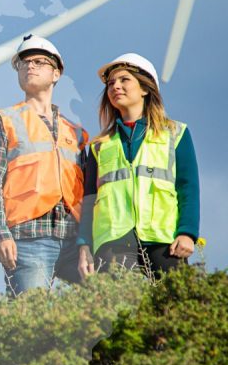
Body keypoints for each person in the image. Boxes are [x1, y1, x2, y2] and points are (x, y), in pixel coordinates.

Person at [0, 35, 88, 295]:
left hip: (75, 241)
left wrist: (87, 242)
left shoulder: (76, 133)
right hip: (28, 238)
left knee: (108, 308)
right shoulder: (3, 120)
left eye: (39, 61)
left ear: (56, 74)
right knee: (31, 323)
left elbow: (90, 193)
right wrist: (0, 234)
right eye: (23, 62)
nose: (30, 66)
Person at [77, 53, 200, 279]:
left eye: (124, 80)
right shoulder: (98, 146)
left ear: (145, 88)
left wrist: (188, 233)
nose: (116, 86)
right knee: (120, 310)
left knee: (177, 307)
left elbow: (188, 187)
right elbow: (89, 200)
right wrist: (84, 245)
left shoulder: (176, 134)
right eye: (111, 83)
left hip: (165, 240)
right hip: (113, 241)